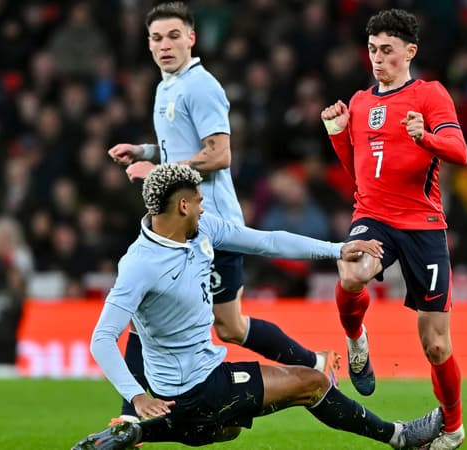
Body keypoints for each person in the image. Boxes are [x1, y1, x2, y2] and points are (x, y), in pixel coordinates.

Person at [71, 164, 443, 450]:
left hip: (188, 387)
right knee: (311, 384)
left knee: (228, 428)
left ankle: (137, 430)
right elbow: (102, 338)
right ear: (183, 205)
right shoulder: (141, 264)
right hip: (197, 387)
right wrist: (135, 395)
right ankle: (400, 437)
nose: (204, 206)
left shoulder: (201, 230)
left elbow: (267, 242)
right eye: (199, 200)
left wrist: (336, 250)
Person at [107, 2, 339, 423]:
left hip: (207, 225)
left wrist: (157, 170)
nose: (165, 45)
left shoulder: (201, 86)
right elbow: (181, 148)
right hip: (183, 222)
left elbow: (219, 154)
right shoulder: (166, 88)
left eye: (174, 36)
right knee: (182, 321)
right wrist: (142, 151)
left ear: (192, 38)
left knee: (223, 326)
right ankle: (132, 417)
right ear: (148, 43)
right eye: (157, 38)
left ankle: (314, 365)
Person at [320, 9, 467, 449]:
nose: (378, 59)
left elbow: (459, 151)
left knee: (436, 345)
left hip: (423, 224)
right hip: (374, 215)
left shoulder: (430, 95)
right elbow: (360, 175)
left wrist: (426, 138)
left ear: (409, 52)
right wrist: (337, 134)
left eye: (386, 50)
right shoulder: (361, 103)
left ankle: (454, 427)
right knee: (351, 273)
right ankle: (356, 339)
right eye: (371, 50)